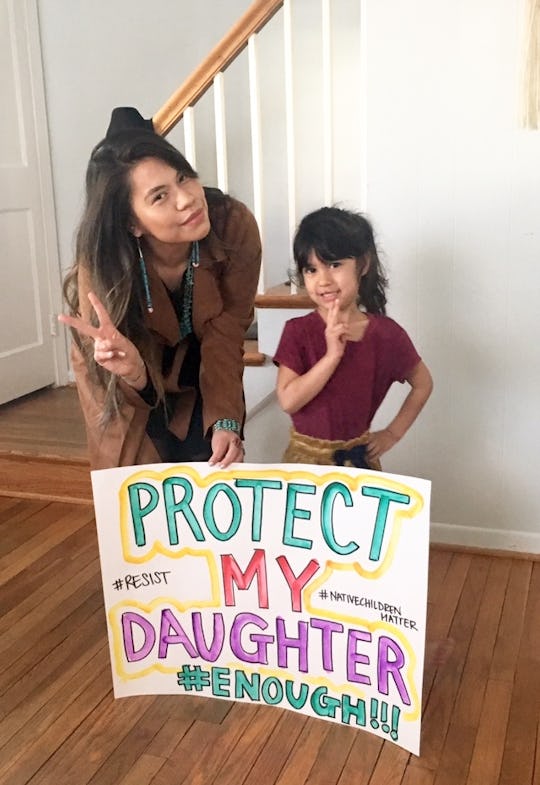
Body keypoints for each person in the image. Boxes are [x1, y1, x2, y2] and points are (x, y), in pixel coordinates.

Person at [59, 107, 261, 470]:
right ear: (132, 223)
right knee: (135, 488)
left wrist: (226, 420)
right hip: (121, 374)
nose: (186, 199)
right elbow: (110, 371)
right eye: (159, 196)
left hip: (201, 360)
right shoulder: (102, 264)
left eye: (183, 177)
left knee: (214, 470)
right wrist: (135, 373)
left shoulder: (233, 225)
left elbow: (227, 333)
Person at [274, 206, 433, 470]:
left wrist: (392, 434)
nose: (322, 280)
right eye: (311, 270)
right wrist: (332, 356)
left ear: (364, 264)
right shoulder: (297, 331)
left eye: (334, 265)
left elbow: (423, 384)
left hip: (359, 466)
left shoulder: (386, 335)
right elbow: (289, 400)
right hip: (305, 466)